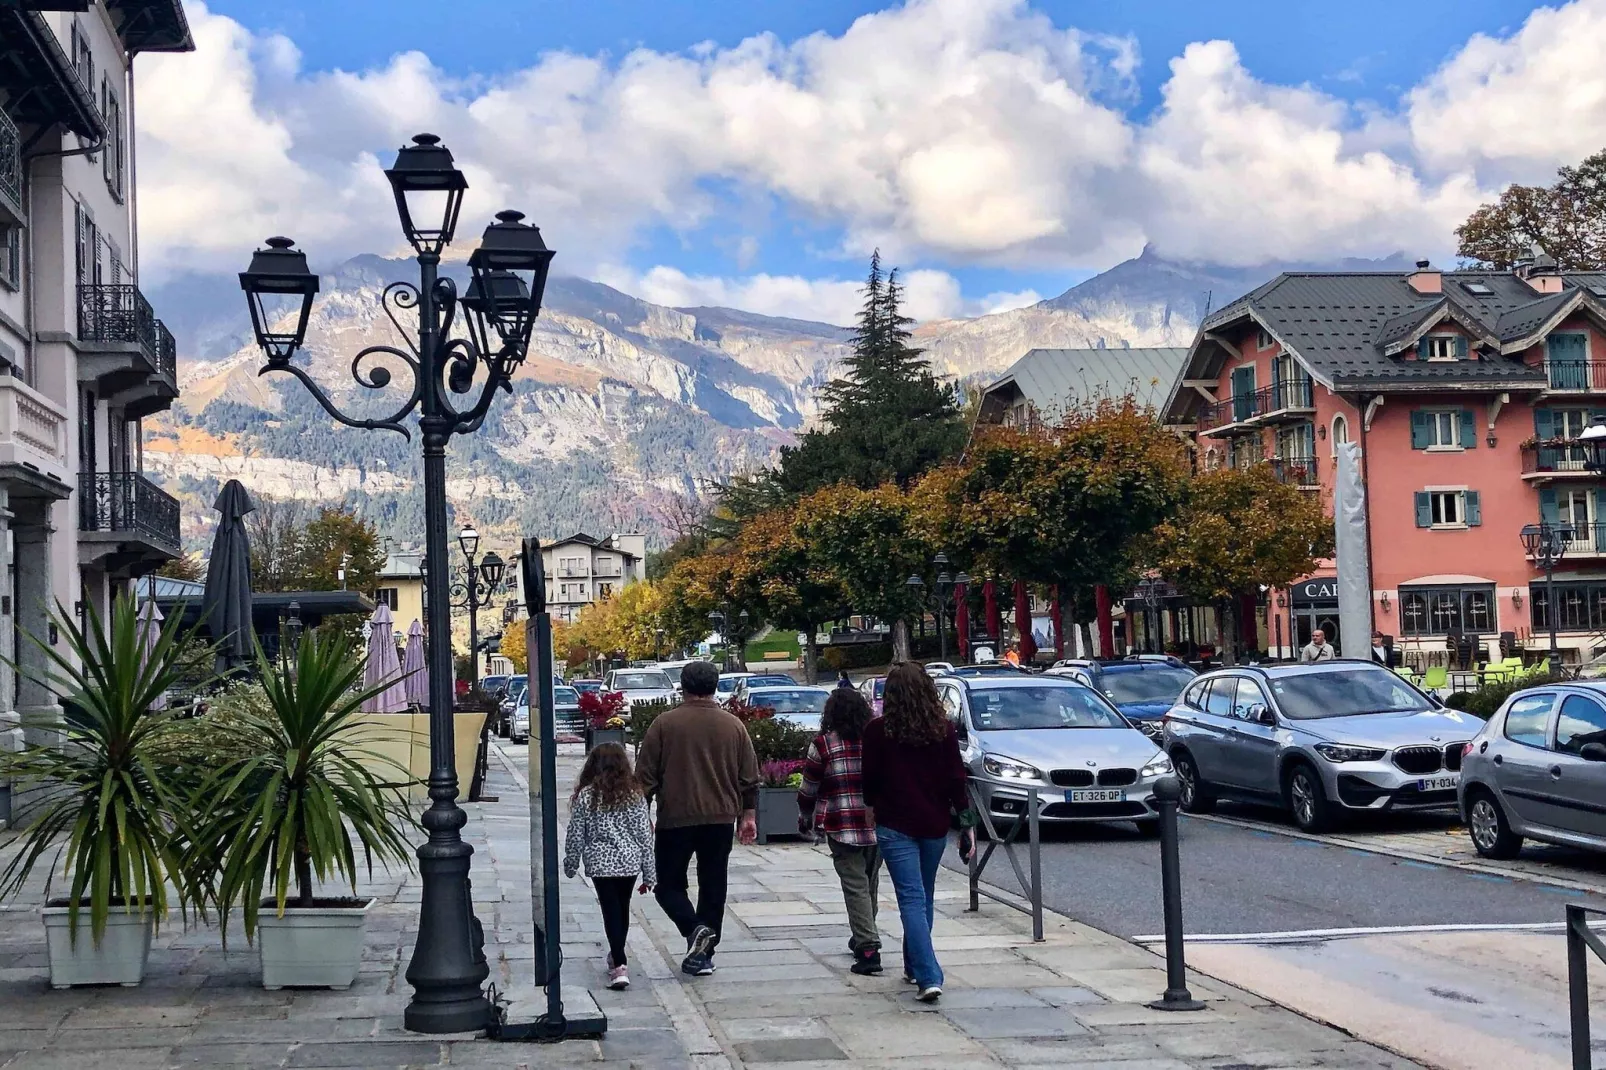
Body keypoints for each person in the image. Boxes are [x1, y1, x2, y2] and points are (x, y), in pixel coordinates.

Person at [636, 659, 759, 976]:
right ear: (714, 687)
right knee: (713, 885)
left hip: (676, 817)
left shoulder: (664, 724)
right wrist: (748, 815)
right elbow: (749, 777)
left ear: (683, 687)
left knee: (667, 885)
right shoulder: (734, 726)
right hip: (720, 818)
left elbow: (645, 776)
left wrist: (642, 813)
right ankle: (703, 952)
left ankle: (693, 929)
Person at [861, 662, 975, 1003]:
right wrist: (966, 823)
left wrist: (870, 807)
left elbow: (870, 779)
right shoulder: (942, 729)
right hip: (934, 823)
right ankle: (915, 965)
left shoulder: (877, 731)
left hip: (894, 822)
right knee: (923, 895)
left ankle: (927, 974)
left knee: (911, 898)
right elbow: (957, 779)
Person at [798, 688, 881, 975]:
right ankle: (863, 933)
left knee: (855, 885)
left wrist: (805, 816)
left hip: (841, 822)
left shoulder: (823, 744)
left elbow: (809, 788)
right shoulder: (876, 740)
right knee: (869, 882)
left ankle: (868, 947)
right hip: (877, 823)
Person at [562, 742, 656, 991]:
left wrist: (571, 863)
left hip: (600, 863)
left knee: (610, 909)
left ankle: (619, 963)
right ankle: (617, 957)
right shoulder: (635, 795)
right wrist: (649, 873)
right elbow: (644, 835)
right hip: (629, 862)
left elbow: (575, 834)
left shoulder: (587, 796)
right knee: (622, 908)